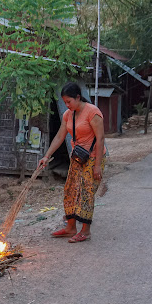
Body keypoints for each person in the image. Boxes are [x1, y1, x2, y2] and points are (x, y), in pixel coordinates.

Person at [38, 82, 106, 243]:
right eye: (65, 102)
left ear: (78, 97)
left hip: (93, 157)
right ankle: (70, 227)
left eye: (69, 101)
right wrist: (46, 156)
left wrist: (97, 165)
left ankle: (85, 231)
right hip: (78, 157)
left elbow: (101, 138)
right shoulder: (68, 114)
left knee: (86, 192)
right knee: (70, 189)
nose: (67, 105)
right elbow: (60, 137)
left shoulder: (93, 112)